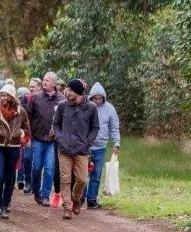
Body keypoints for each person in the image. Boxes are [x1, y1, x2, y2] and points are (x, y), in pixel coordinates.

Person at [51, 78, 100, 219]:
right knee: (65, 179)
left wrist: (87, 143)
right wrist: (60, 138)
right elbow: (56, 125)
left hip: (82, 149)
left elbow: (95, 127)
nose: (67, 92)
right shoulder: (62, 106)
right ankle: (67, 207)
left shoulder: (91, 107)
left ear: (78, 92)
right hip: (64, 149)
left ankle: (76, 198)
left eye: (70, 90)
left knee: (82, 179)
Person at [0, 84, 32, 219]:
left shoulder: (21, 111)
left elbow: (27, 129)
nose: (1, 97)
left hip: (14, 148)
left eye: (4, 95)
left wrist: (22, 137)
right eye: (1, 95)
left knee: (10, 178)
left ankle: (5, 205)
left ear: (11, 96)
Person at [26, 72, 63, 206]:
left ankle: (46, 196)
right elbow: (27, 117)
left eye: (47, 80)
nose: (44, 82)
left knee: (49, 169)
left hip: (52, 141)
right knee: (36, 168)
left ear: (54, 83)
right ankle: (37, 191)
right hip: (37, 138)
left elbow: (64, 119)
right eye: (43, 80)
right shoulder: (35, 97)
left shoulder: (61, 98)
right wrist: (28, 135)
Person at [86, 82, 121, 209]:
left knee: (96, 175)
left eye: (100, 98)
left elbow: (114, 127)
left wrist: (116, 143)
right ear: (91, 98)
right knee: (83, 175)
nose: (97, 101)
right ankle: (79, 198)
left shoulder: (110, 109)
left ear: (103, 98)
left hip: (100, 147)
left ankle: (92, 199)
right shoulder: (86, 107)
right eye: (95, 98)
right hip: (86, 146)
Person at [15, 87, 32, 190]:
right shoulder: (18, 107)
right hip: (19, 134)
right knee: (21, 157)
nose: (22, 98)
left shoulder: (28, 104)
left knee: (26, 157)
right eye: (20, 96)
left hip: (26, 133)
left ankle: (23, 179)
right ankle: (20, 179)